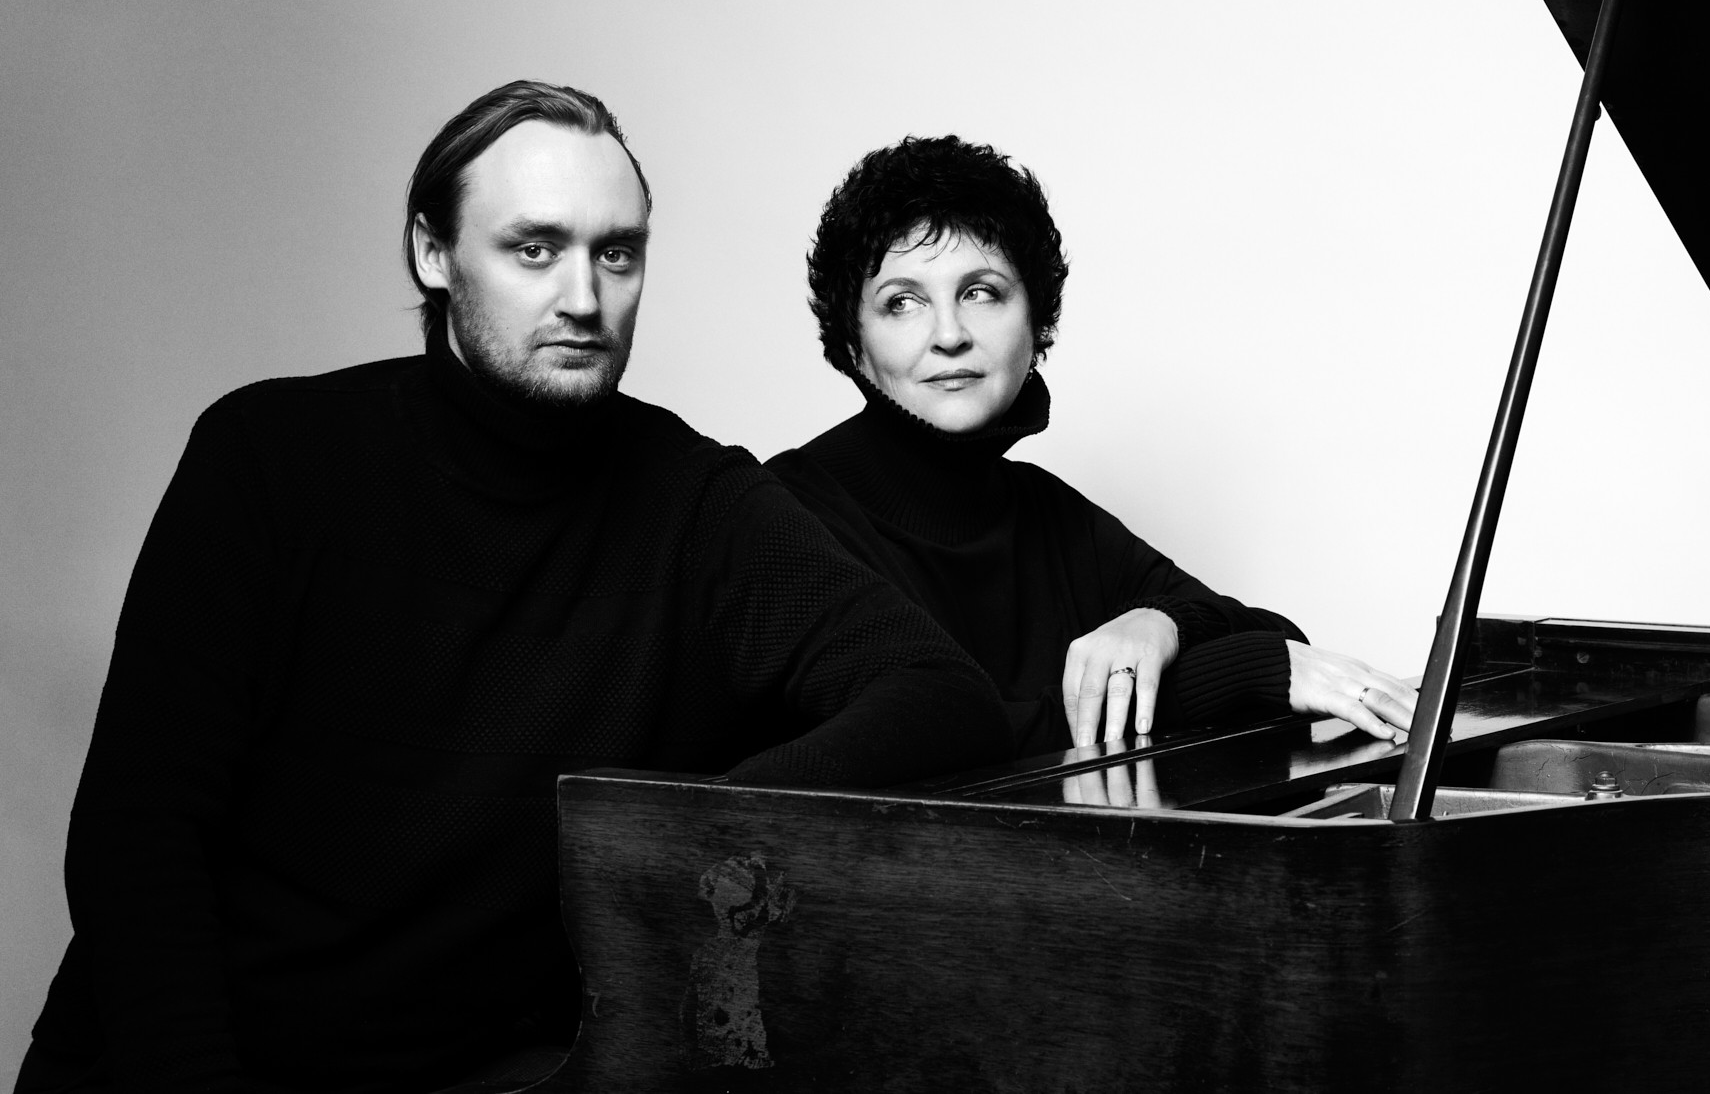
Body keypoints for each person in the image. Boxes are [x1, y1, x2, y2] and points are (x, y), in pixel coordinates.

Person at [19, 83, 1010, 1094]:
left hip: (480, 1075)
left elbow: (937, 689)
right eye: (534, 249)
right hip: (178, 1063)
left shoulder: (694, 499)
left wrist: (681, 829)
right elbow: (137, 836)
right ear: (432, 251)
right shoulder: (270, 457)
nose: (582, 296)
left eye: (615, 253)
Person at [766, 135, 1417, 762]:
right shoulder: (785, 515)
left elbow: (1273, 638)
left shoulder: (1042, 509)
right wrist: (1223, 678)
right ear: (853, 343)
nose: (949, 334)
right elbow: (933, 746)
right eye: (902, 302)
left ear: (1036, 319)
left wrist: (1159, 622)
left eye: (980, 292)